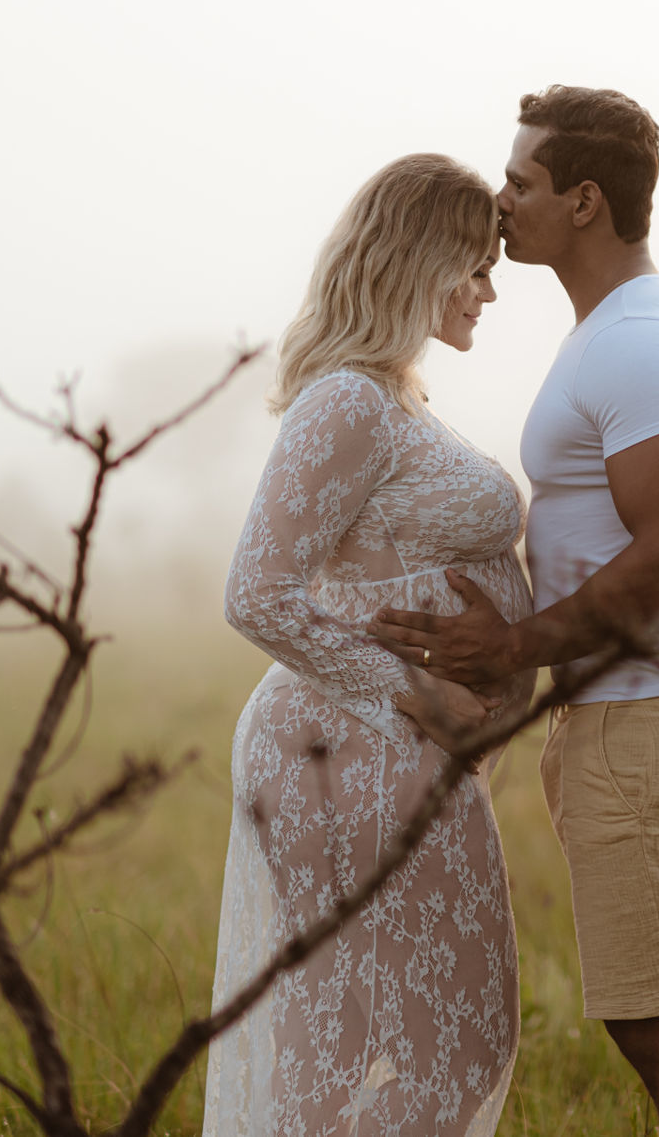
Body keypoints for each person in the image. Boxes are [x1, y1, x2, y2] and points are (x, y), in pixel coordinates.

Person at [369, 86, 659, 1137]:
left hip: (658, 713)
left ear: (586, 202)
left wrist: (516, 643)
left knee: (658, 1025)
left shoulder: (637, 346)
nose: (503, 202)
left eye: (523, 182)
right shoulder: (619, 329)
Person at [203, 153, 529, 1137]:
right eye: (474, 264)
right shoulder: (346, 399)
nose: (490, 287)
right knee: (436, 1044)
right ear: (417, 259)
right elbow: (256, 591)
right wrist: (417, 695)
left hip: (387, 750)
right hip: (344, 745)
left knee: (367, 1046)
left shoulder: (395, 395)